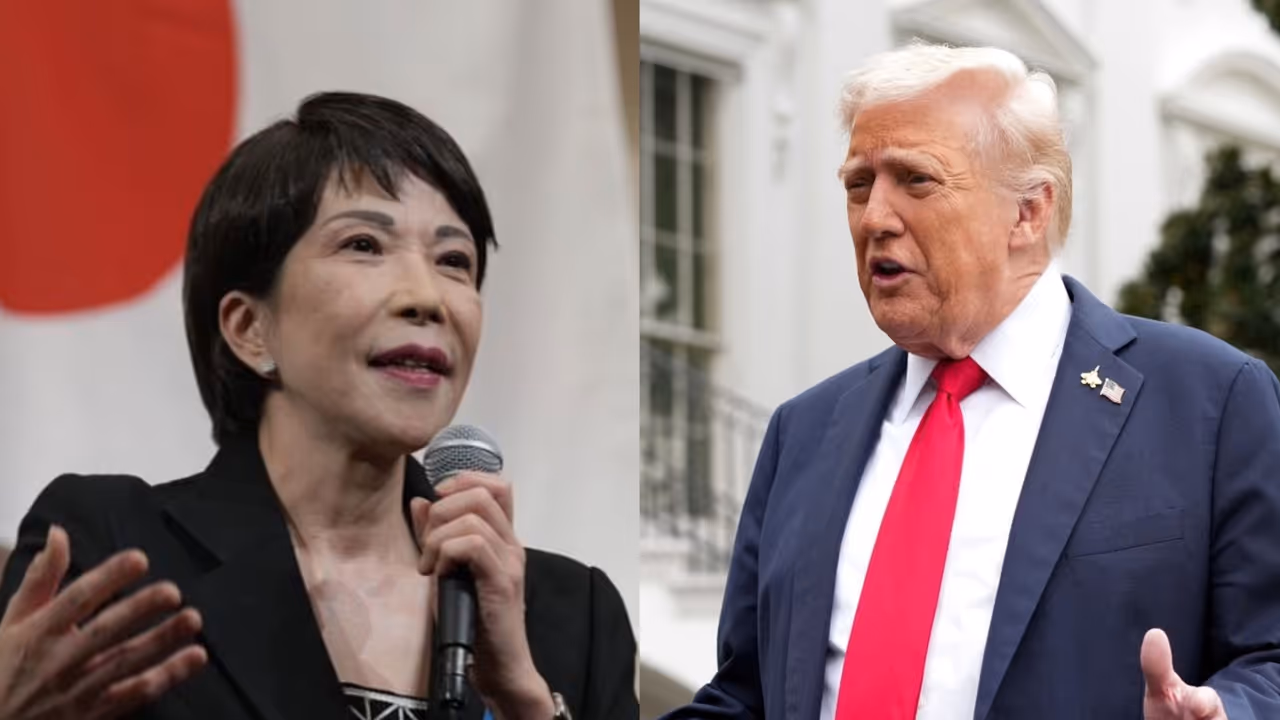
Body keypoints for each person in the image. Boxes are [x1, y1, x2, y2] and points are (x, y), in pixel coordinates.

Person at [663, 42, 1280, 720]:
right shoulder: (802, 432)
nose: (874, 218)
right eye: (858, 184)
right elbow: (745, 697)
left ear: (1029, 211)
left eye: (916, 180)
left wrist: (1227, 712)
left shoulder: (1210, 401)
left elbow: (1270, 660)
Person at [0, 92, 636, 720]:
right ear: (250, 328)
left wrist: (525, 700)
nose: (427, 297)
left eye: (453, 260)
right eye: (363, 245)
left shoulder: (570, 617)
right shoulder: (117, 551)